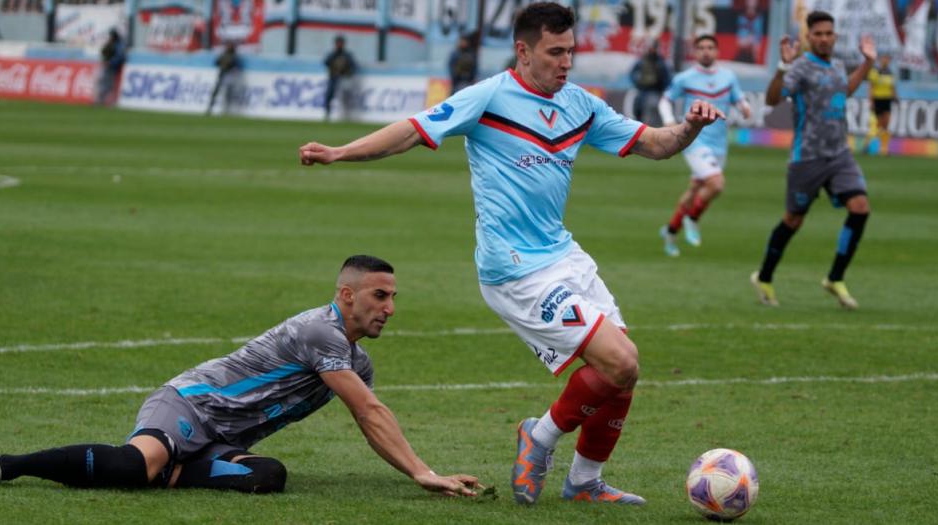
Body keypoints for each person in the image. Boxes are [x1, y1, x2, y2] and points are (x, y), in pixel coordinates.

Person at [298, 3, 723, 506]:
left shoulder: (581, 105)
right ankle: (537, 439)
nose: (566, 63)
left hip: (564, 256)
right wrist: (341, 152)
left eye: (571, 52)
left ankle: (585, 482)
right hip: (514, 269)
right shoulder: (489, 97)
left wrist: (691, 128)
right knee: (619, 359)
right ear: (523, 51)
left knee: (621, 372)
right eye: (555, 52)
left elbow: (655, 143)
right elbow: (412, 130)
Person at [0, 255, 480, 498]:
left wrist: (418, 469)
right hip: (189, 405)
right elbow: (368, 410)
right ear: (347, 295)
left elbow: (372, 424)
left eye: (394, 298)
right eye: (380, 296)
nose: (390, 308)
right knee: (131, 470)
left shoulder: (357, 362)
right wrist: (424, 473)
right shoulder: (318, 330)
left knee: (268, 476)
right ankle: (6, 464)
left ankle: (171, 472)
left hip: (223, 438)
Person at [750, 11, 875, 310]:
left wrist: (868, 63)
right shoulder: (801, 67)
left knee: (860, 208)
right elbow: (772, 99)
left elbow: (844, 90)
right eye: (818, 34)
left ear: (834, 36)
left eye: (828, 33)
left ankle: (835, 278)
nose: (824, 38)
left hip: (840, 155)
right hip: (807, 157)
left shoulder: (838, 65)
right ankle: (764, 276)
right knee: (794, 219)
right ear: (808, 37)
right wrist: (782, 67)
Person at [657, 34, 751, 257]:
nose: (706, 51)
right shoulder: (685, 78)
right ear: (696, 52)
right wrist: (669, 120)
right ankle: (693, 218)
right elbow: (665, 99)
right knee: (716, 184)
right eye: (701, 48)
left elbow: (738, 98)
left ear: (717, 51)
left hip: (719, 143)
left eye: (710, 47)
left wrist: (744, 106)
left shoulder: (728, 76)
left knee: (696, 189)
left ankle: (670, 233)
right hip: (694, 140)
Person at [629, 42, 670, 125]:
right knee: (637, 109)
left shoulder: (660, 62)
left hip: (654, 90)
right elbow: (632, 73)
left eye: (653, 48)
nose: (651, 50)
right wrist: (637, 83)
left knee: (651, 113)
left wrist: (663, 89)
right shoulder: (642, 60)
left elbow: (667, 77)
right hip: (642, 89)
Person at [866, 54, 896, 155]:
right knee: (877, 125)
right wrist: (871, 101)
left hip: (887, 99)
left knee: (886, 125)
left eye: (887, 58)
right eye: (884, 58)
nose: (886, 60)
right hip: (877, 99)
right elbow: (871, 87)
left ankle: (884, 149)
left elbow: (892, 87)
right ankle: (867, 145)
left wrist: (895, 97)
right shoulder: (875, 71)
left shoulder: (890, 72)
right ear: (880, 59)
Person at [323, 35, 357, 121]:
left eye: (341, 43)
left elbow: (353, 66)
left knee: (345, 97)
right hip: (333, 78)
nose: (339, 45)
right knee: (329, 95)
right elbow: (326, 62)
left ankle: (346, 114)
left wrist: (347, 73)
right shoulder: (332, 54)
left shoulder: (347, 55)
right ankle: (327, 113)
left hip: (344, 78)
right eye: (338, 43)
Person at [207, 43, 241, 116]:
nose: (229, 47)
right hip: (222, 74)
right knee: (217, 92)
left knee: (227, 93)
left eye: (230, 46)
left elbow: (235, 66)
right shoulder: (224, 55)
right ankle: (210, 108)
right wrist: (223, 64)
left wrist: (228, 65)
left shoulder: (233, 56)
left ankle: (226, 109)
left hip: (229, 76)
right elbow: (216, 62)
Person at [96, 28, 126, 106]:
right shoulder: (111, 43)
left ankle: (107, 101)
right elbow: (103, 51)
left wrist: (110, 62)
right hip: (108, 66)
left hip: (112, 67)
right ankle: (101, 100)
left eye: (111, 35)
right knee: (104, 83)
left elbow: (120, 56)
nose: (110, 37)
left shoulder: (119, 44)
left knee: (108, 85)